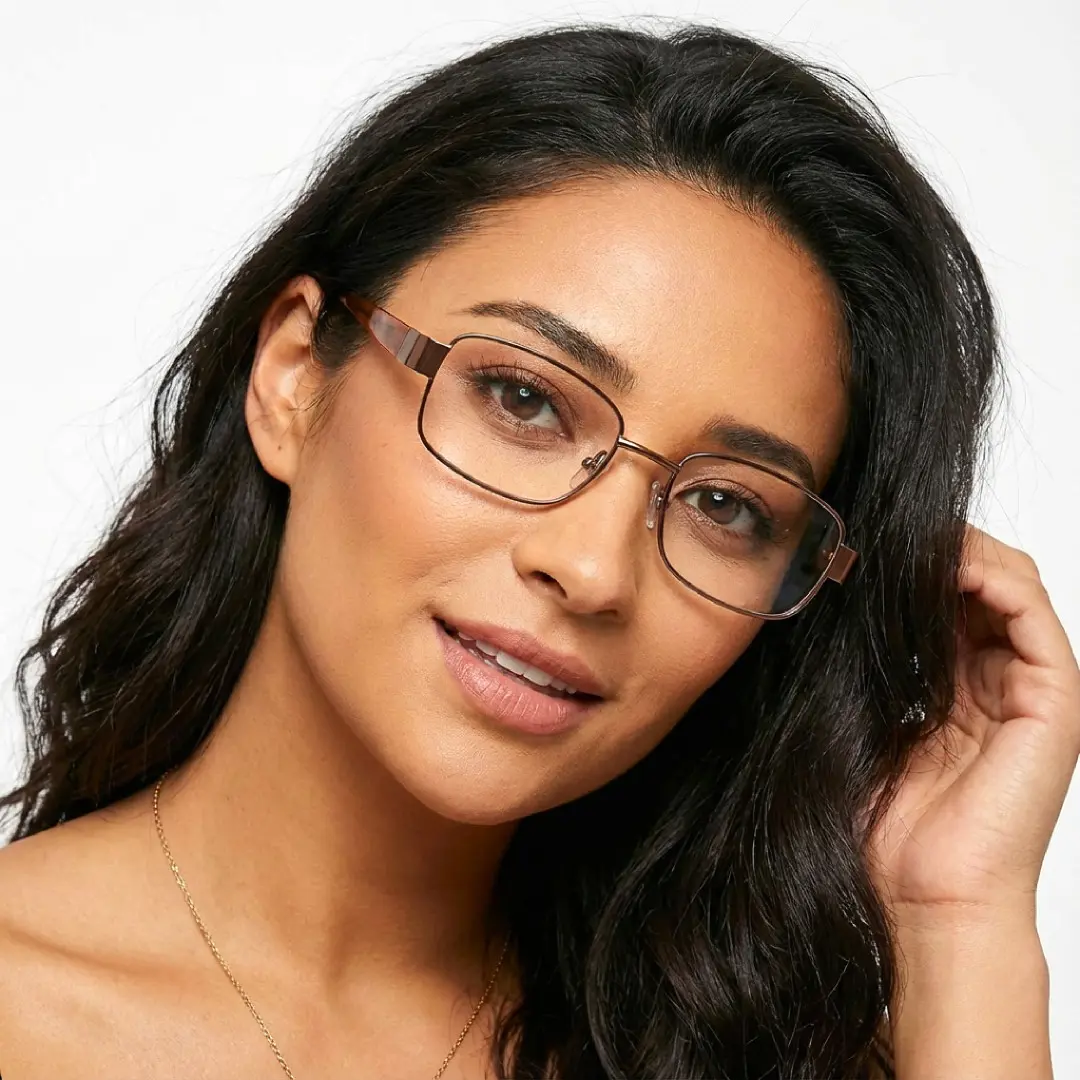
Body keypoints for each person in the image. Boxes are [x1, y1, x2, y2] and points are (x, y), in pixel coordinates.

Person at [0, 21, 1076, 1080]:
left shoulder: (751, 1055)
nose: (594, 570)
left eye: (726, 505)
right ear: (293, 379)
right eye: (523, 400)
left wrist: (958, 922)